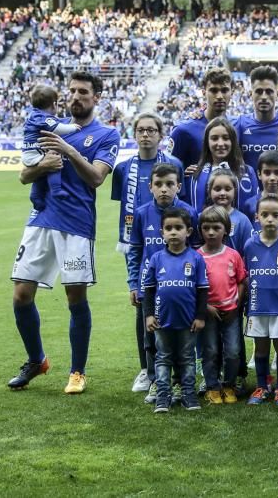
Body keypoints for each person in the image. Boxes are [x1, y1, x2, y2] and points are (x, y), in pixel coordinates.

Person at [9, 72, 120, 395]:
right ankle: (36, 360)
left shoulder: (106, 135)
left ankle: (77, 371)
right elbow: (24, 176)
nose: (75, 97)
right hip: (41, 219)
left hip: (76, 224)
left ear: (96, 97)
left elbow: (97, 178)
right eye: (71, 91)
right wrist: (43, 165)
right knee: (21, 295)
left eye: (83, 92)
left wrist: (67, 151)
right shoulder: (46, 126)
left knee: (75, 298)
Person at [111, 112, 182, 393]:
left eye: (151, 130)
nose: (145, 135)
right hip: (139, 241)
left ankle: (177, 369)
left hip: (170, 242)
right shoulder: (123, 168)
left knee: (176, 305)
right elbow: (123, 206)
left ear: (160, 134)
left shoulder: (173, 164)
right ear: (134, 133)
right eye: (140, 130)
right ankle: (146, 369)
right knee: (143, 309)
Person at [126, 163, 198, 404]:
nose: (164, 189)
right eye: (158, 184)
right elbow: (135, 250)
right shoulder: (141, 213)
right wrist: (133, 283)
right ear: (150, 187)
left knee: (181, 337)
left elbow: (197, 252)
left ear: (179, 186)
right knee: (151, 336)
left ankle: (179, 382)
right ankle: (156, 380)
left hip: (181, 289)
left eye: (169, 184)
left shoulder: (189, 212)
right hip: (150, 288)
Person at [142, 206, 208, 413]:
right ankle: (163, 395)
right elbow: (149, 291)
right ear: (161, 232)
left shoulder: (196, 259)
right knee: (163, 357)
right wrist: (149, 315)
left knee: (187, 358)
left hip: (188, 321)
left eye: (178, 227)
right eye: (168, 228)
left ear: (188, 231)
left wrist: (200, 316)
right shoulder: (156, 259)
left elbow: (202, 290)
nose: (173, 232)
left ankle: (188, 394)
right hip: (162, 321)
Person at [243, 195, 278, 406]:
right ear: (256, 216)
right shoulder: (250, 245)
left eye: (275, 215)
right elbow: (246, 275)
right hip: (258, 307)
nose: (270, 219)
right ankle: (261, 386)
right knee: (261, 348)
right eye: (265, 215)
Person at [197, 205, 247, 405]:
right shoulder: (197, 256)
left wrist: (237, 303)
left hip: (231, 313)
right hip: (209, 313)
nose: (210, 232)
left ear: (226, 229)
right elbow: (195, 288)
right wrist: (206, 307)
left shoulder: (233, 255)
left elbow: (242, 280)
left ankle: (229, 384)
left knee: (233, 350)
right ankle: (212, 386)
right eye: (206, 227)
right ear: (200, 229)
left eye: (216, 228)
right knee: (210, 350)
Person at [23, 83, 80, 211]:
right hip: (37, 152)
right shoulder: (43, 118)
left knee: (41, 175)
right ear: (54, 104)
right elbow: (57, 128)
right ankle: (56, 190)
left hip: (29, 153)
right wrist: (73, 128)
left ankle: (36, 196)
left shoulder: (33, 115)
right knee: (54, 160)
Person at [184, 117, 259, 213]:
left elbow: (254, 208)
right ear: (207, 142)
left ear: (233, 141)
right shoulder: (195, 174)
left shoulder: (248, 172)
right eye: (214, 138)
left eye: (226, 138)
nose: (220, 143)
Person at [170, 67, 233, 171]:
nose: (220, 96)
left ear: (232, 92)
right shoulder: (184, 130)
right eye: (214, 90)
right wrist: (183, 177)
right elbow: (166, 171)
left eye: (224, 90)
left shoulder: (237, 126)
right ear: (204, 93)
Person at [235, 66, 278, 172]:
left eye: (269, 92)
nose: (264, 97)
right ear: (251, 94)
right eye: (259, 91)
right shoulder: (239, 124)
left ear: (277, 94)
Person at [205, 169, 255, 253]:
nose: (222, 193)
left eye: (227, 189)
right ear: (209, 191)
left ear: (235, 191)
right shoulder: (202, 217)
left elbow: (248, 251)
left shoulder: (242, 220)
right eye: (217, 189)